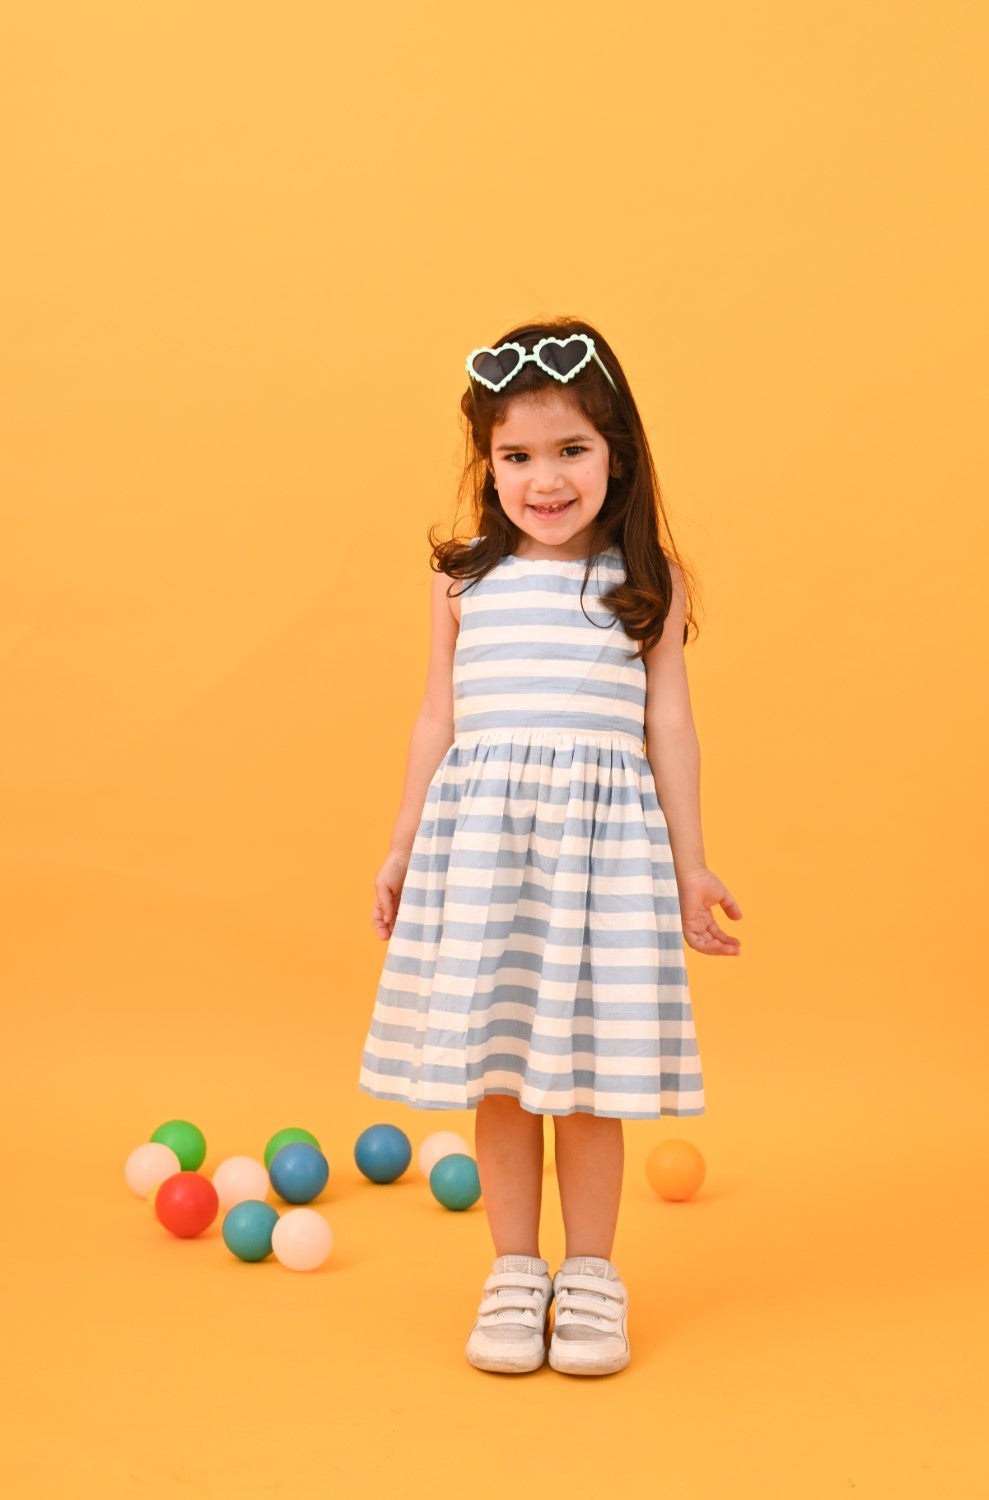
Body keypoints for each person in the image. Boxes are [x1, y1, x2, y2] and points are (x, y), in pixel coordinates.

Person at [358, 316, 742, 1376]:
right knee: (496, 1073)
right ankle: (513, 1269)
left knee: (580, 1079)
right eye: (516, 456)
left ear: (615, 451)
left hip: (599, 864)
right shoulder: (460, 582)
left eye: (570, 449)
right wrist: (400, 845)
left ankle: (590, 1277)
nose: (544, 478)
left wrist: (689, 863)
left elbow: (670, 727)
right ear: (487, 465)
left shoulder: (640, 583)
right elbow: (433, 719)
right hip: (482, 856)